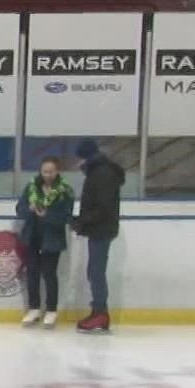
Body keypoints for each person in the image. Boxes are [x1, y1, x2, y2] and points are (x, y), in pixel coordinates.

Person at [71, 139, 125, 334]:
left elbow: (103, 207)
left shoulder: (101, 174)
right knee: (94, 271)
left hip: (101, 229)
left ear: (85, 157)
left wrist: (81, 222)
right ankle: (99, 312)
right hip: (100, 228)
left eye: (78, 159)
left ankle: (100, 313)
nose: (77, 164)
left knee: (95, 272)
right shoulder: (100, 172)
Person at [15, 156, 75, 328]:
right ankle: (33, 309)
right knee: (32, 273)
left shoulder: (65, 191)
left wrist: (46, 216)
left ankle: (51, 310)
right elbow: (20, 209)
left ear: (57, 172)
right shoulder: (32, 187)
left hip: (52, 238)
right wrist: (30, 209)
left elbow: (66, 217)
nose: (47, 175)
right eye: (44, 171)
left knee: (49, 274)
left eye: (51, 171)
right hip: (33, 236)